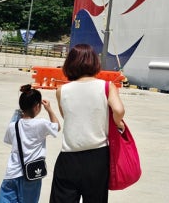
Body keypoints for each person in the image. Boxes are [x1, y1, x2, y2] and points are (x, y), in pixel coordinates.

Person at [50, 44, 125, 203]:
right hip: (98, 156)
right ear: (94, 62)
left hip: (69, 156)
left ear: (70, 63)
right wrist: (118, 123)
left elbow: (66, 117)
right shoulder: (106, 86)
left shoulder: (61, 91)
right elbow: (118, 110)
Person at [0, 84, 60, 203]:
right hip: (31, 175)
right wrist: (49, 109)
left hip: (11, 174)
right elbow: (57, 127)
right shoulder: (41, 124)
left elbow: (9, 141)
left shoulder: (13, 126)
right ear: (37, 107)